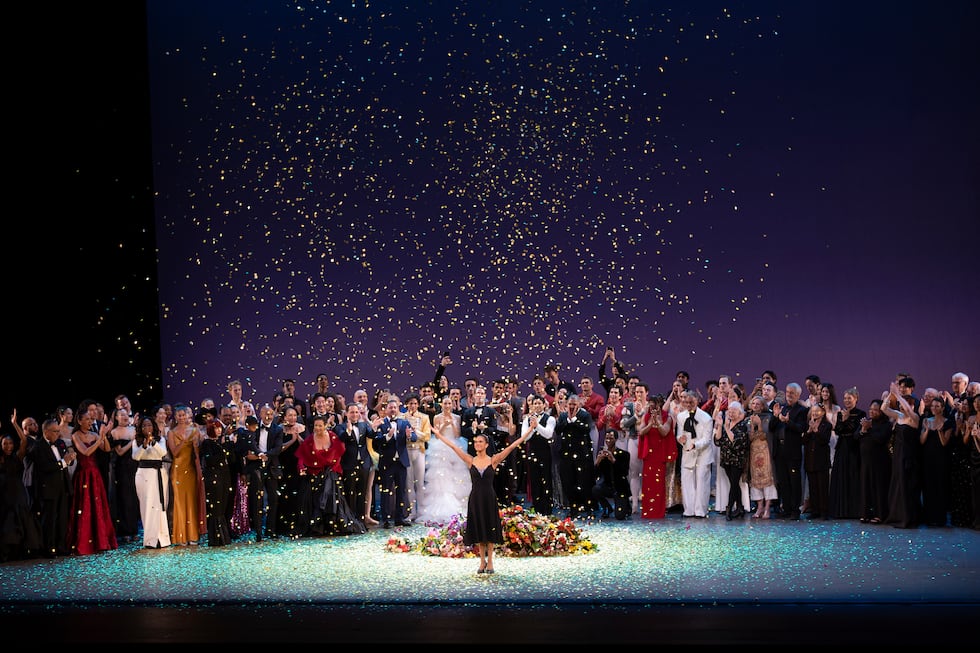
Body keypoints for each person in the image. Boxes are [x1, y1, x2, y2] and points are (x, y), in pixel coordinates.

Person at [430, 425, 531, 574]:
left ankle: (490, 560)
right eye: (476, 442)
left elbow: (513, 445)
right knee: (479, 529)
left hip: (489, 498)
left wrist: (530, 430)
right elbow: (452, 446)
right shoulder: (470, 460)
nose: (477, 444)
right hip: (476, 498)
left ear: (487, 445)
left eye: (480, 442)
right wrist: (439, 435)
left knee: (489, 528)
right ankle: (482, 561)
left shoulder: (494, 460)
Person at [296, 415, 365, 536]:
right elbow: (302, 456)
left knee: (332, 494)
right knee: (317, 497)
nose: (317, 428)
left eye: (320, 425)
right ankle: (318, 527)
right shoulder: (310, 439)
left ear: (325, 426)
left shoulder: (333, 436)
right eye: (316, 425)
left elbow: (339, 453)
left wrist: (331, 468)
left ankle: (333, 525)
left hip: (332, 471)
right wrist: (301, 468)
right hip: (315, 473)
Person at [66, 412, 118, 555]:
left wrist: (104, 436)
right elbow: (86, 452)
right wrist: (99, 438)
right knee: (84, 507)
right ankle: (84, 543)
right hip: (83, 474)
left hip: (95, 474)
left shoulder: (94, 434)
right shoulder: (76, 435)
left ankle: (101, 541)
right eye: (87, 419)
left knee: (98, 506)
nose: (90, 422)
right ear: (80, 420)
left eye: (91, 419)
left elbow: (106, 449)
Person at [416, 395, 471, 524]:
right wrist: (443, 425)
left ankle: (457, 505)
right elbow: (436, 434)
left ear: (452, 405)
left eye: (449, 403)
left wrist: (452, 423)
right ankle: (441, 505)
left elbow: (457, 435)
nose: (447, 406)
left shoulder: (457, 417)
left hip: (455, 446)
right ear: (442, 405)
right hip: (440, 447)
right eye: (445, 403)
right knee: (440, 476)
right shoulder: (437, 417)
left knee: (455, 475)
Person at [26, 418, 76, 557]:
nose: (58, 434)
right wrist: (63, 463)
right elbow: (45, 468)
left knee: (62, 519)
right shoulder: (38, 447)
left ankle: (61, 547)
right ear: (46, 432)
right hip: (48, 489)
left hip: (63, 487)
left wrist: (70, 459)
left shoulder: (59, 443)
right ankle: (49, 548)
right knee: (50, 519)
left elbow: (65, 462)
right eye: (55, 431)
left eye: (59, 431)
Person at [237, 406, 284, 541]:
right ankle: (258, 532)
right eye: (266, 414)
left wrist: (264, 455)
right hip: (255, 468)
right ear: (260, 414)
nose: (268, 416)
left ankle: (271, 530)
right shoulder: (253, 428)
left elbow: (278, 448)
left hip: (271, 468)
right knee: (256, 500)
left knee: (273, 500)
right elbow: (247, 447)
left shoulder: (278, 430)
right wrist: (258, 456)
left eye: (270, 414)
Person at [882, 381, 921, 529]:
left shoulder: (914, 418)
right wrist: (891, 394)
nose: (902, 407)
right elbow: (884, 408)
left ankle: (908, 517)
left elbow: (909, 411)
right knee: (897, 484)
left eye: (906, 404)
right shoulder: (898, 416)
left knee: (907, 486)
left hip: (909, 456)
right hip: (898, 455)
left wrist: (898, 395)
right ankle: (896, 515)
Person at [0, 425, 42, 561]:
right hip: (4, 494)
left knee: (21, 520)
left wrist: (14, 423)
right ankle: (6, 552)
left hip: (18, 493)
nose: (8, 446)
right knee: (6, 522)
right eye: (5, 444)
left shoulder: (18, 457)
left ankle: (22, 550)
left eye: (10, 443)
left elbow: (24, 441)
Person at [167, 404, 206, 545]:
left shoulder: (194, 431)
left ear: (188, 416)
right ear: (176, 417)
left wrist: (196, 445)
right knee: (179, 502)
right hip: (177, 471)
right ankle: (181, 536)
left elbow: (198, 452)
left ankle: (193, 535)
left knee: (191, 501)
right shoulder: (171, 433)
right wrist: (184, 441)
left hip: (191, 469)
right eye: (179, 415)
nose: (182, 417)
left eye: (184, 415)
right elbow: (175, 452)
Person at [769, 382, 809, 519]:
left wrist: (787, 422)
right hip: (779, 451)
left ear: (798, 395)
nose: (789, 395)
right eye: (787, 392)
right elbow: (771, 427)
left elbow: (801, 428)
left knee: (794, 482)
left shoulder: (802, 411)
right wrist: (775, 416)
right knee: (783, 482)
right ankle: (785, 509)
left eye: (792, 393)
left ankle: (794, 510)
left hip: (792, 452)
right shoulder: (782, 408)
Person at [372, 398, 412, 528]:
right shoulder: (381, 423)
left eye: (395, 407)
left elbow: (414, 437)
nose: (393, 409)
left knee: (401, 491)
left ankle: (400, 518)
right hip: (387, 463)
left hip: (401, 462)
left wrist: (408, 436)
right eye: (390, 407)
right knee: (385, 491)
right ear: (386, 409)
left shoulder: (404, 422)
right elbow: (376, 441)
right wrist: (388, 436)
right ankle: (386, 519)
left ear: (398, 408)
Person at [131, 416, 171, 548]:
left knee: (160, 504)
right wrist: (144, 445)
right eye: (144, 426)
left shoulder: (160, 440)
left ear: (153, 427)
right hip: (144, 475)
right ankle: (150, 540)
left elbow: (162, 453)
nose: (147, 428)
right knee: (147, 506)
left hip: (158, 474)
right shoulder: (136, 442)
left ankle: (162, 538)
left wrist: (153, 442)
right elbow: (136, 457)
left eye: (149, 425)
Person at [555, 394, 596, 518]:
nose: (572, 407)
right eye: (570, 404)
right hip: (566, 454)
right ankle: (573, 507)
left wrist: (574, 420)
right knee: (568, 481)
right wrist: (567, 421)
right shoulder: (563, 416)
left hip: (582, 455)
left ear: (579, 404)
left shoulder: (585, 415)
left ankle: (587, 507)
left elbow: (586, 429)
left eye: (574, 404)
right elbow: (558, 430)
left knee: (583, 481)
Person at [674, 391, 714, 518]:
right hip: (687, 452)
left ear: (697, 401)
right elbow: (680, 434)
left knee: (701, 482)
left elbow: (707, 439)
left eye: (691, 402)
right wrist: (681, 439)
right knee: (687, 481)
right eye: (686, 402)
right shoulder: (681, 417)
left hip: (702, 453)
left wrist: (695, 445)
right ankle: (689, 510)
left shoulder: (706, 418)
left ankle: (700, 510)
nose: (689, 405)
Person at [636, 389, 674, 519]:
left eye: (655, 406)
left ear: (660, 405)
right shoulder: (646, 417)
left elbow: (664, 432)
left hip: (660, 454)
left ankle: (658, 512)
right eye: (650, 406)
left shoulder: (667, 417)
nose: (652, 408)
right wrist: (649, 424)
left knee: (659, 484)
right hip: (649, 454)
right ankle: (647, 511)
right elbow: (640, 432)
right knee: (648, 484)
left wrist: (657, 423)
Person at [336, 402, 375, 528]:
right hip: (349, 464)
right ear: (346, 413)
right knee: (350, 492)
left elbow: (372, 435)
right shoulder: (340, 427)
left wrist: (373, 426)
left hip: (364, 464)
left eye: (356, 412)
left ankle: (361, 521)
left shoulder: (363, 425)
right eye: (351, 412)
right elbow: (341, 438)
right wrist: (348, 431)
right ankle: (350, 521)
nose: (354, 414)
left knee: (362, 493)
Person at [828, 387, 865, 520]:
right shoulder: (840, 413)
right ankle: (840, 510)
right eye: (845, 398)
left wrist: (846, 421)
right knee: (840, 479)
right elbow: (838, 430)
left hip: (854, 450)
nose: (846, 401)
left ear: (856, 399)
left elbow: (855, 431)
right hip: (842, 449)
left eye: (849, 398)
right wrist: (843, 420)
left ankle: (853, 511)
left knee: (852, 478)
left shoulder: (861, 414)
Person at [856, 399, 892, 524]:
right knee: (865, 487)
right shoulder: (867, 422)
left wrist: (869, 429)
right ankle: (865, 513)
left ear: (881, 411)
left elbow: (880, 439)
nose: (872, 412)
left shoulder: (886, 425)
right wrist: (863, 430)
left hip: (880, 462)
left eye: (875, 410)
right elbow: (856, 436)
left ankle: (880, 514)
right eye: (871, 409)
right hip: (865, 461)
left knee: (878, 488)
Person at [109, 407, 140, 544]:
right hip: (122, 468)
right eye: (121, 415)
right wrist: (131, 442)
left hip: (135, 466)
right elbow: (120, 452)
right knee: (125, 499)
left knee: (134, 499)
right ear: (116, 417)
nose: (124, 416)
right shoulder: (114, 432)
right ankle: (125, 531)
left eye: (126, 414)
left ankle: (134, 530)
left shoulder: (134, 430)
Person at [522, 395, 557, 515]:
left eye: (539, 403)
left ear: (544, 405)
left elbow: (548, 434)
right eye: (535, 403)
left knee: (546, 480)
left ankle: (547, 509)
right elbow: (525, 437)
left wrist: (537, 426)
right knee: (535, 481)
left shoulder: (550, 419)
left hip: (545, 452)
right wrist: (532, 427)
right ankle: (537, 509)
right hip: (532, 452)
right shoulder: (527, 419)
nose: (537, 406)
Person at [745, 396, 777, 518]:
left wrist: (760, 424)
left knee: (768, 480)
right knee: (755, 479)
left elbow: (766, 436)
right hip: (753, 452)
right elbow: (750, 437)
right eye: (753, 403)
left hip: (766, 451)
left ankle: (767, 507)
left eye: (758, 404)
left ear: (763, 405)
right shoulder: (748, 419)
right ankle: (759, 506)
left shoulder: (768, 417)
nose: (755, 406)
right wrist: (753, 426)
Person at [402, 393, 431, 521]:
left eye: (415, 403)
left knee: (420, 483)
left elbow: (427, 436)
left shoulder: (424, 418)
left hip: (419, 451)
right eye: (410, 403)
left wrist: (416, 431)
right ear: (407, 404)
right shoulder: (402, 417)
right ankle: (412, 512)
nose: (412, 406)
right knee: (409, 484)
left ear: (418, 404)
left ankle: (422, 512)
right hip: (406, 451)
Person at [592, 430, 631, 519]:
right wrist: (597, 462)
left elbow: (624, 472)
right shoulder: (603, 455)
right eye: (607, 438)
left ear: (616, 439)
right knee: (595, 489)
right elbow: (595, 475)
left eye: (611, 438)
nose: (608, 440)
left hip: (620, 488)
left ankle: (627, 506)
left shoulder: (624, 454)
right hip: (608, 486)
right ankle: (607, 508)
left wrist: (613, 460)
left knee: (620, 516)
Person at [802, 405, 832, 520]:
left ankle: (824, 511)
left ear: (823, 412)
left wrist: (816, 431)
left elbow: (825, 440)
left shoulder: (827, 425)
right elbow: (803, 441)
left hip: (821, 461)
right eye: (813, 411)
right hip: (810, 461)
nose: (814, 413)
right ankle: (815, 510)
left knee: (822, 487)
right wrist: (809, 431)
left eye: (817, 411)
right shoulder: (807, 424)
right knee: (812, 487)